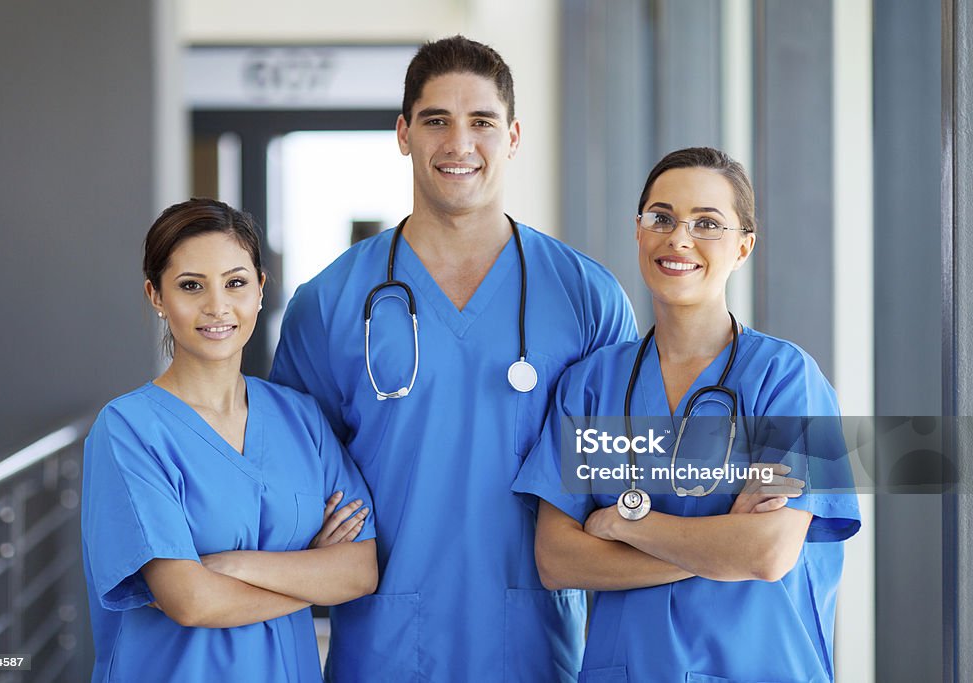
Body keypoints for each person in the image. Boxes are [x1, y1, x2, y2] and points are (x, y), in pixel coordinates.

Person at [270, 36, 637, 682]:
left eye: (482, 123)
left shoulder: (587, 298)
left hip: (535, 648)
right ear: (403, 133)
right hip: (382, 649)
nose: (459, 143)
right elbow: (287, 479)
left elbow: (623, 477)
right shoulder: (328, 304)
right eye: (436, 120)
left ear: (515, 136)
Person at [513, 147, 861, 682]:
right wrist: (719, 548)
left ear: (744, 247)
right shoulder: (591, 386)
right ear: (638, 231)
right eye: (662, 217)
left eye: (707, 223)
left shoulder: (786, 380)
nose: (679, 238)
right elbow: (558, 560)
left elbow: (768, 552)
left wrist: (628, 523)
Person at [81, 198, 378, 682]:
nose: (217, 306)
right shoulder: (129, 430)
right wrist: (312, 575)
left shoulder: (301, 418)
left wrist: (230, 565)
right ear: (156, 296)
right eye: (191, 286)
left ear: (260, 290)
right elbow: (191, 600)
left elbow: (360, 571)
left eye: (235, 282)